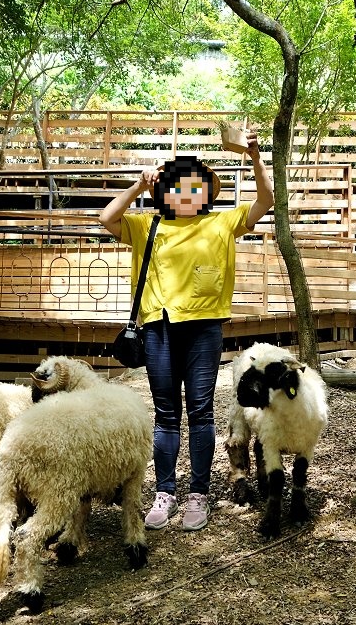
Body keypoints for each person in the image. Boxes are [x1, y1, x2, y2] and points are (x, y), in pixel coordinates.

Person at [99, 132, 274, 532]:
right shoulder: (147, 224)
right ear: (163, 192)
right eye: (176, 185)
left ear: (205, 192)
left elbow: (266, 200)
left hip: (205, 328)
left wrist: (255, 156)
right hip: (158, 327)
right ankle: (165, 492)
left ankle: (198, 494)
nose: (186, 192)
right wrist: (138, 186)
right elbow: (107, 218)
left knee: (200, 412)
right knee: (166, 416)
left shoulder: (222, 222)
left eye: (194, 186)